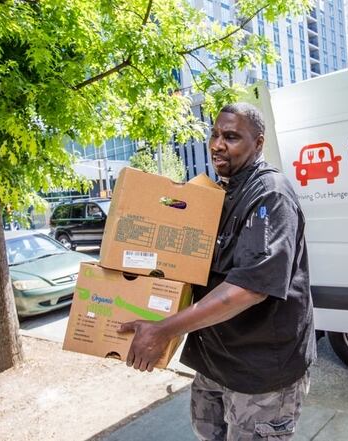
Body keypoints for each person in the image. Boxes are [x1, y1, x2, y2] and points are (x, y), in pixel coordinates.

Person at [119, 102, 316, 440]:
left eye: (231, 136)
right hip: (215, 364)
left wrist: (162, 330)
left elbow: (249, 288)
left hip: (259, 374)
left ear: (258, 143)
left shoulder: (270, 195)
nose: (217, 145)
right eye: (213, 135)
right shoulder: (219, 194)